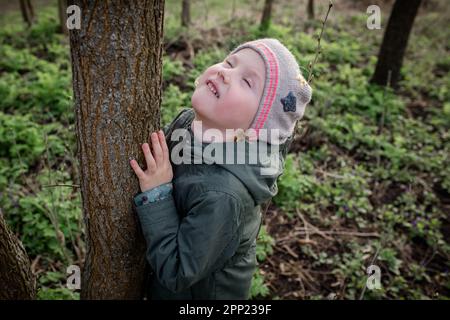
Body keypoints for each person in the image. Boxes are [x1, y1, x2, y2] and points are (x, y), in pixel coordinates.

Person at [129, 38, 312, 299]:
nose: (225, 74)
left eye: (247, 82)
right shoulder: (188, 121)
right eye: (229, 63)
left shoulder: (223, 195)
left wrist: (157, 194)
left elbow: (177, 271)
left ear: (256, 128)